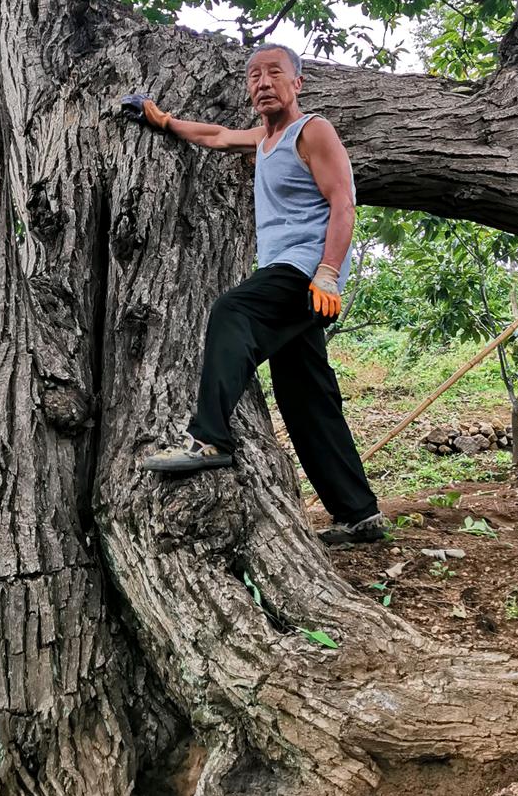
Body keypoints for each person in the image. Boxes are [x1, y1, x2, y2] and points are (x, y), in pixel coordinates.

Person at [124, 43, 385, 546]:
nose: (263, 83)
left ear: (297, 83)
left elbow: (343, 203)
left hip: (305, 271)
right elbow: (218, 136)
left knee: (233, 309)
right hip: (288, 271)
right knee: (306, 395)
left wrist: (328, 272)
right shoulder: (264, 141)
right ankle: (360, 514)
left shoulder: (313, 130)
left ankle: (208, 439)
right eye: (254, 76)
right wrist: (163, 122)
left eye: (274, 74)